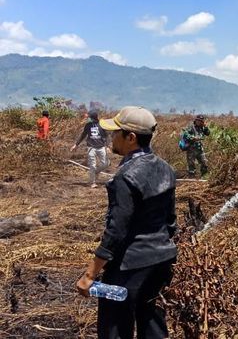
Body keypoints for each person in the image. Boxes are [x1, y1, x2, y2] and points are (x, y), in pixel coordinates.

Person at [75, 106, 177, 339]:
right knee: (152, 321)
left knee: (115, 327)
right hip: (161, 262)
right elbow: (171, 222)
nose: (112, 137)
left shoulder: (125, 177)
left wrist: (90, 274)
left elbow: (116, 231)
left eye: (116, 132)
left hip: (128, 267)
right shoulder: (167, 169)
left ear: (131, 138)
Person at [70, 110, 110, 188]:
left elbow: (106, 136)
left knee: (106, 163)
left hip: (101, 147)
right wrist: (76, 145)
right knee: (92, 165)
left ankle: (96, 172)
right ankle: (92, 182)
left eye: (89, 117)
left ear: (93, 117)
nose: (88, 118)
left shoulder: (102, 125)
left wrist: (107, 146)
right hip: (91, 147)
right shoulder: (88, 125)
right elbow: (83, 135)